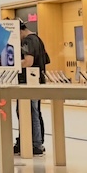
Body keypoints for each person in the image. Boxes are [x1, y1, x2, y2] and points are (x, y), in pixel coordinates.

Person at [14, 17, 50, 154]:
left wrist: (12, 65)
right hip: (36, 81)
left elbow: (28, 61)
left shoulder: (28, 41)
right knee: (33, 111)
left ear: (19, 31)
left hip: (28, 83)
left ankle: (35, 143)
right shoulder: (37, 39)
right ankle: (31, 141)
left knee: (29, 112)